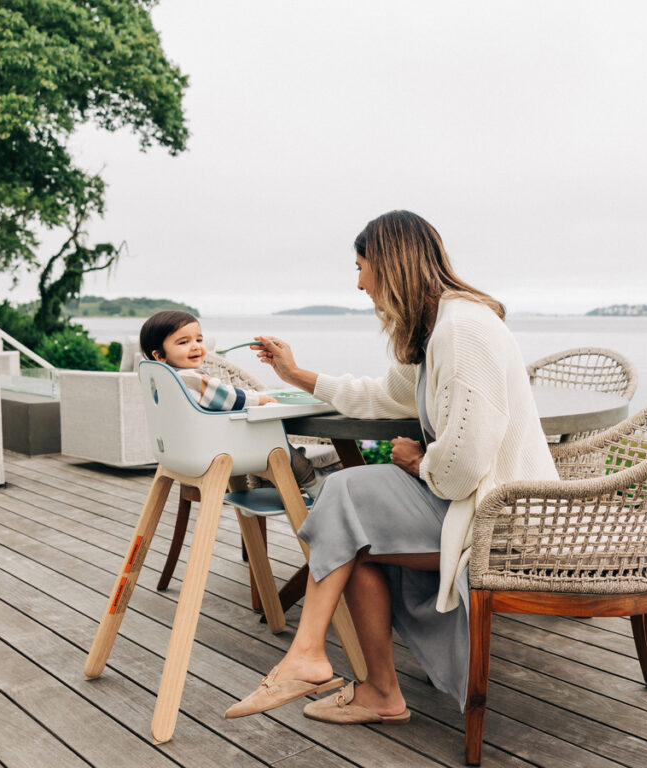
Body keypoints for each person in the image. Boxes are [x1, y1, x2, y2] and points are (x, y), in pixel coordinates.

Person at [224, 210, 558, 724]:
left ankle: (319, 662)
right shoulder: (436, 329)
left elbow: (463, 468)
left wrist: (420, 461)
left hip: (502, 520)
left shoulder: (463, 331)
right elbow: (383, 396)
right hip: (471, 505)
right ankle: (361, 683)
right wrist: (296, 373)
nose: (358, 283)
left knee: (346, 500)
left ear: (390, 264)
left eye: (361, 266)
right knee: (348, 513)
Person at [138, 310, 324, 495]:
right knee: (278, 446)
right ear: (160, 356)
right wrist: (257, 399)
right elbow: (226, 397)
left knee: (274, 444)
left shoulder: (164, 382)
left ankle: (283, 480)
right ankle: (312, 482)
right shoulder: (190, 377)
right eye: (183, 342)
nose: (195, 347)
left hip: (180, 452)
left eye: (199, 340)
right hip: (216, 449)